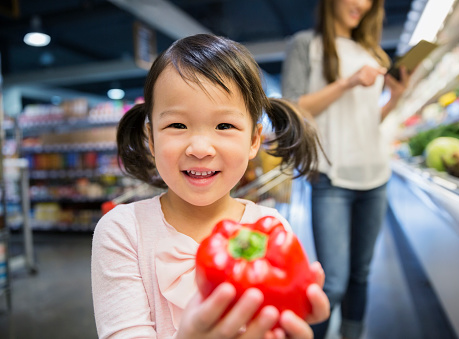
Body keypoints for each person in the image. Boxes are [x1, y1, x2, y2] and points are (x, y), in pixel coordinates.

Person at [91, 33, 330, 339]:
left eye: (224, 126)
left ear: (254, 140)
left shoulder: (269, 231)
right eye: (177, 125)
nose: (200, 148)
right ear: (150, 138)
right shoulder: (123, 231)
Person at [281, 0, 409, 338]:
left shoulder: (373, 53)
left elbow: (368, 122)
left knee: (360, 276)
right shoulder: (306, 44)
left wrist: (394, 99)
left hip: (376, 175)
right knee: (333, 282)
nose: (362, 4)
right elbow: (294, 107)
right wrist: (348, 82)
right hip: (331, 176)